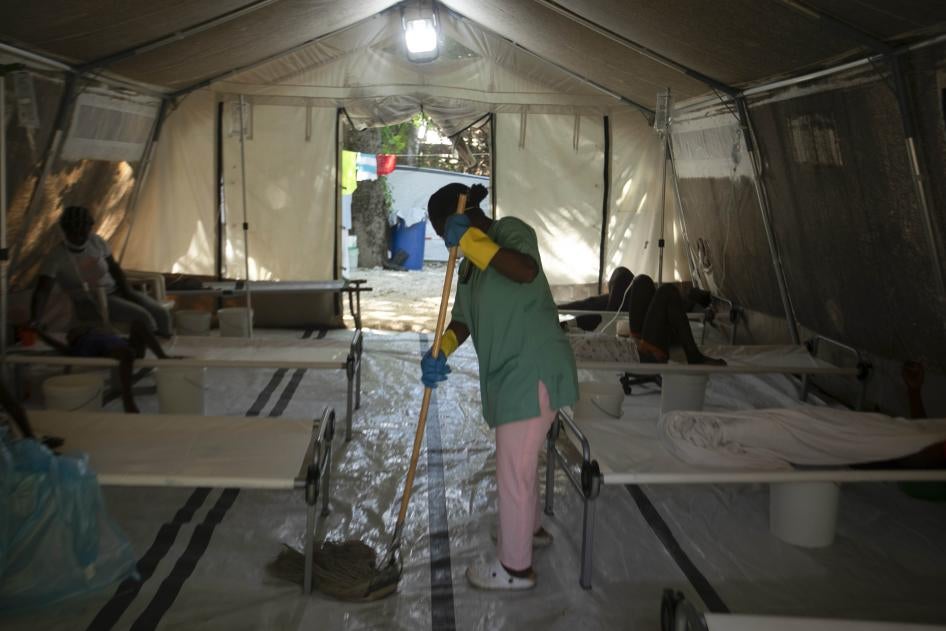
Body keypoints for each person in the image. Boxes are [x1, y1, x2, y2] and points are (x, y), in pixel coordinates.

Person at [420, 183, 579, 591]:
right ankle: (531, 532)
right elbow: (463, 320)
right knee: (519, 465)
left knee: (514, 471)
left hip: (532, 366)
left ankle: (514, 569)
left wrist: (471, 239)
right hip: (510, 374)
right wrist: (442, 350)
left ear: (465, 214)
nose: (449, 243)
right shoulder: (469, 267)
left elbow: (524, 270)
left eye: (448, 233)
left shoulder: (509, 231)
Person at [30, 205, 173, 338]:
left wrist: (128, 291)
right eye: (74, 230)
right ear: (66, 231)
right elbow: (42, 291)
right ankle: (148, 356)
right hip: (92, 302)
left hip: (117, 292)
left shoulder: (96, 242)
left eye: (84, 230)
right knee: (143, 317)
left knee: (161, 314)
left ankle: (166, 351)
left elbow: (114, 268)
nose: (80, 234)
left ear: (89, 228)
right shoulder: (57, 257)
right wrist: (35, 320)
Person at [34, 320, 172, 414]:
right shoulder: (80, 345)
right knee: (127, 352)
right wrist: (40, 333)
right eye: (71, 334)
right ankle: (127, 398)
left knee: (138, 324)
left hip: (127, 347)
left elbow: (119, 337)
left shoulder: (99, 334)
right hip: (109, 353)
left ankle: (163, 356)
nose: (72, 332)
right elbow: (58, 346)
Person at [624, 273, 725, 365]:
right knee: (666, 290)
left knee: (642, 281)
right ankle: (694, 355)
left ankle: (640, 342)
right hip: (643, 354)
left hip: (637, 344)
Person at [557, 266, 634, 331]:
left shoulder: (615, 306)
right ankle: (559, 311)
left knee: (596, 308)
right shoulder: (609, 302)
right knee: (592, 305)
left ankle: (561, 313)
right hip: (621, 291)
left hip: (621, 298)